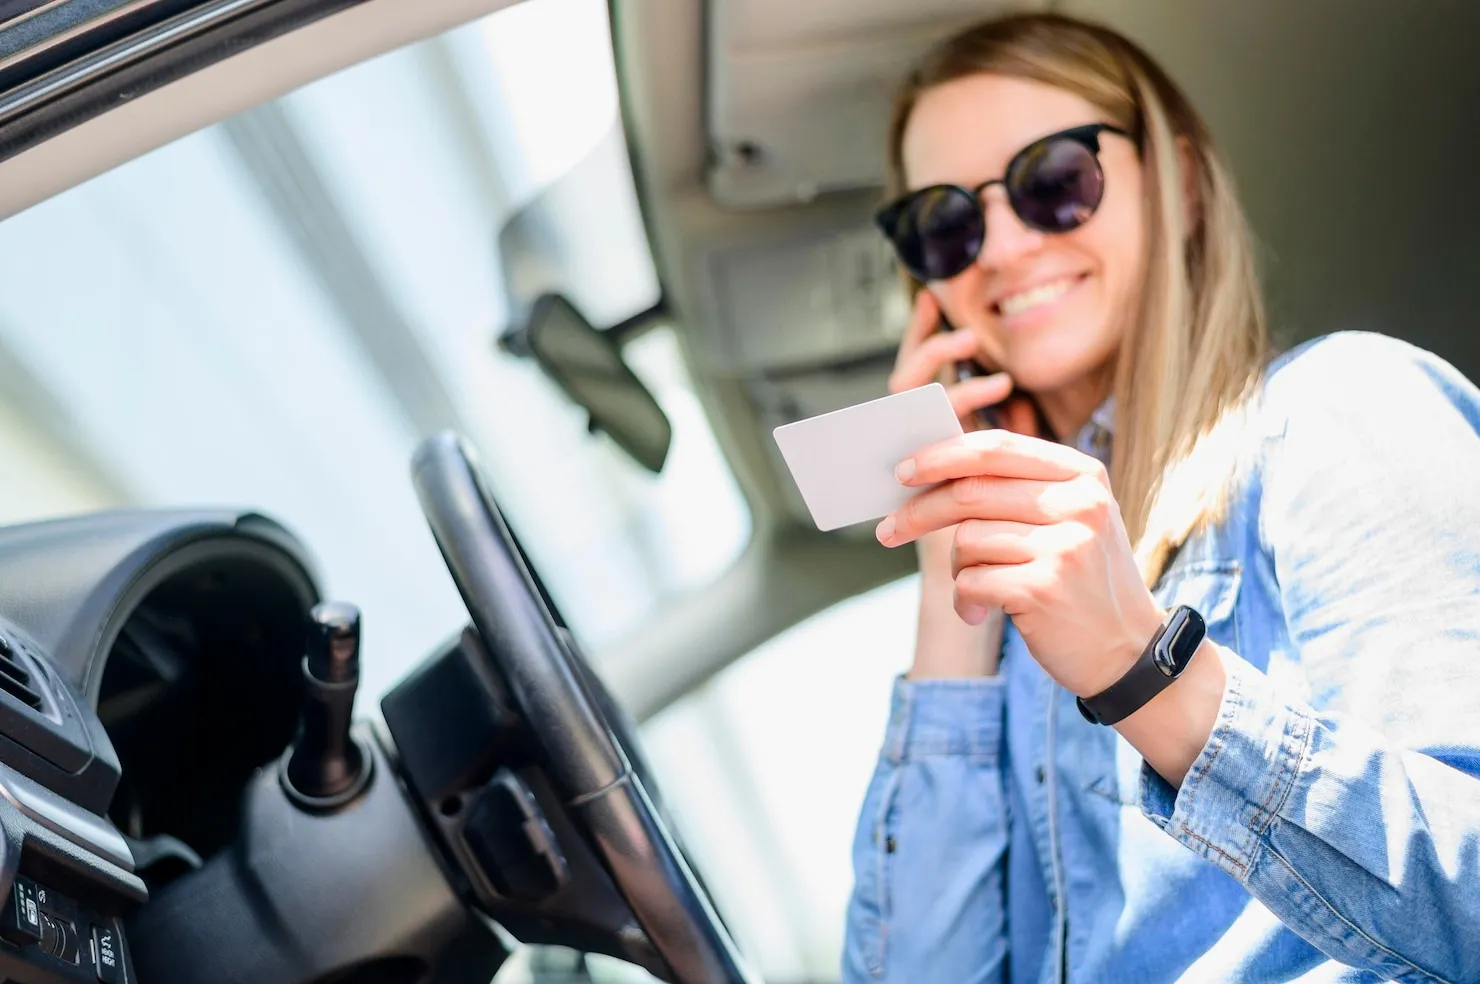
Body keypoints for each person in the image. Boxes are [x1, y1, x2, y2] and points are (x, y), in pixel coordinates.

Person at [846, 11, 1480, 984]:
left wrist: (1145, 674)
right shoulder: (1009, 615)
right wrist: (950, 583)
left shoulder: (1340, 410)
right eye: (946, 223)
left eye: (1054, 180)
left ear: (1178, 185)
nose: (1003, 249)